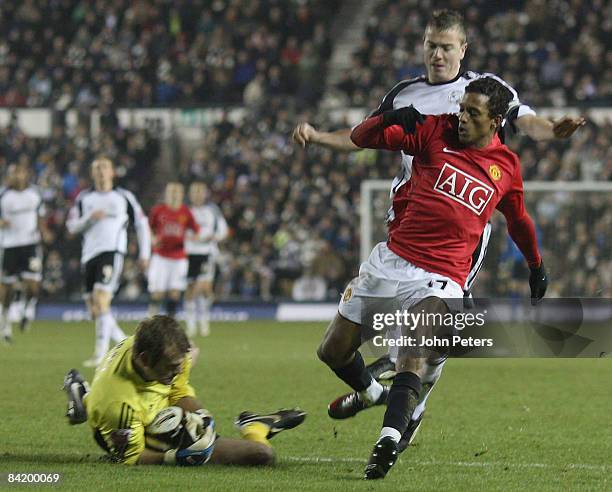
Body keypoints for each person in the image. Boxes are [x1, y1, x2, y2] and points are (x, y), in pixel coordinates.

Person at [293, 8, 584, 446]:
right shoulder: (404, 94)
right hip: (409, 216)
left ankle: (409, 408)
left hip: (460, 226)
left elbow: (527, 121)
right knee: (395, 334)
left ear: (462, 50)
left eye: (447, 47)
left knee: (428, 330)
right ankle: (389, 388)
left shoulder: (485, 90)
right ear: (423, 47)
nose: (438, 55)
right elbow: (366, 135)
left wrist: (553, 130)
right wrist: (319, 138)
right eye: (431, 45)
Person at [317, 77, 549, 479]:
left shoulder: (506, 168)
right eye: (461, 109)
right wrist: (390, 117)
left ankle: (389, 439)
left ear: (495, 121)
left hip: (441, 276)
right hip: (392, 261)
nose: (461, 118)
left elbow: (519, 221)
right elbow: (363, 137)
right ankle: (376, 393)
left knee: (413, 347)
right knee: (332, 351)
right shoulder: (434, 129)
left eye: (472, 113)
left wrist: (535, 265)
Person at [62, 314, 306, 466]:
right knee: (262, 455)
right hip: (133, 430)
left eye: (181, 364)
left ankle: (82, 394)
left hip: (157, 410)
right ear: (144, 360)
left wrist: (205, 419)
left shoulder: (167, 353)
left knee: (204, 425)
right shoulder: (118, 405)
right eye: (171, 367)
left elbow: (178, 391)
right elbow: (132, 457)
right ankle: (255, 428)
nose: (178, 371)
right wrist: (177, 456)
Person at [66, 157, 151, 367]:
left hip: (112, 252)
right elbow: (71, 226)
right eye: (96, 168)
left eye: (104, 167)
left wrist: (145, 253)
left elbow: (141, 224)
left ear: (112, 172)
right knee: (95, 310)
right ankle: (127, 344)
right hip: (89, 255)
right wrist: (89, 218)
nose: (101, 171)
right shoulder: (84, 198)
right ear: (92, 173)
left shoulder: (123, 197)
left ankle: (101, 355)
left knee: (101, 299)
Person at [0, 164, 51, 342]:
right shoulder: (3, 195)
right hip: (9, 245)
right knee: (7, 289)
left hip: (30, 244)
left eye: (19, 172)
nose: (16, 176)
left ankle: (27, 309)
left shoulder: (34, 194)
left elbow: (40, 216)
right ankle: (5, 324)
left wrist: (44, 231)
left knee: (33, 285)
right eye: (13, 173)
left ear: (25, 173)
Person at [147, 182, 199, 319]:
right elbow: (148, 229)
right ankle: (150, 323)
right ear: (166, 194)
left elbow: (196, 230)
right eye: (171, 192)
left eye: (177, 192)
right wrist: (152, 238)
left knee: (175, 293)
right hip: (160, 257)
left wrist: (190, 239)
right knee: (157, 293)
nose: (174, 195)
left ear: (182, 195)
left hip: (179, 258)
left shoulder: (185, 212)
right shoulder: (158, 210)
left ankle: (170, 325)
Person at [184, 182, 228, 337]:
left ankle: (204, 320)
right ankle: (191, 324)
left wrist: (214, 237)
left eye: (200, 192)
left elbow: (223, 230)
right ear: (190, 195)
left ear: (205, 194)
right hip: (189, 253)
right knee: (190, 288)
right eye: (194, 192)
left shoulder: (212, 211)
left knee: (204, 289)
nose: (197, 195)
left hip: (207, 252)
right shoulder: (185, 211)